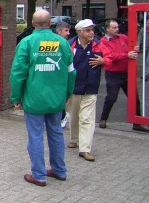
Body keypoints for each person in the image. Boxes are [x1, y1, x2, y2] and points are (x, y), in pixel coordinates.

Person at [10, 10, 76, 187]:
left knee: (36, 136)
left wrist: (16, 96)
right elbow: (71, 72)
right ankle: (59, 170)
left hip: (34, 99)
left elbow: (18, 73)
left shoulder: (27, 42)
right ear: (50, 24)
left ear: (32, 23)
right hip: (56, 99)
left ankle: (39, 175)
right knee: (56, 132)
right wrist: (68, 93)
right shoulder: (63, 43)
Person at [98, 20, 149, 133]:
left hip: (127, 73)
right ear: (107, 29)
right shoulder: (103, 41)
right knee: (112, 97)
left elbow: (131, 48)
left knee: (134, 98)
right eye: (114, 28)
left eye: (117, 27)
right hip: (113, 74)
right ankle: (103, 118)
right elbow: (111, 55)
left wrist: (135, 49)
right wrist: (127, 55)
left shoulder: (123, 37)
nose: (117, 29)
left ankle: (137, 123)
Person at [67, 19, 107, 162]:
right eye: (88, 30)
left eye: (92, 30)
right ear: (79, 32)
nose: (92, 33)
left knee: (87, 119)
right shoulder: (70, 45)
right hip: (74, 87)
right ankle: (74, 139)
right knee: (74, 115)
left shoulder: (98, 44)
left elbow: (110, 57)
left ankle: (85, 149)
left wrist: (104, 61)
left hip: (91, 87)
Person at [56, 20, 72, 128]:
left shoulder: (67, 43)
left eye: (68, 31)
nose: (68, 33)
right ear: (59, 31)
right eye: (66, 30)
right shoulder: (58, 43)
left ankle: (63, 116)